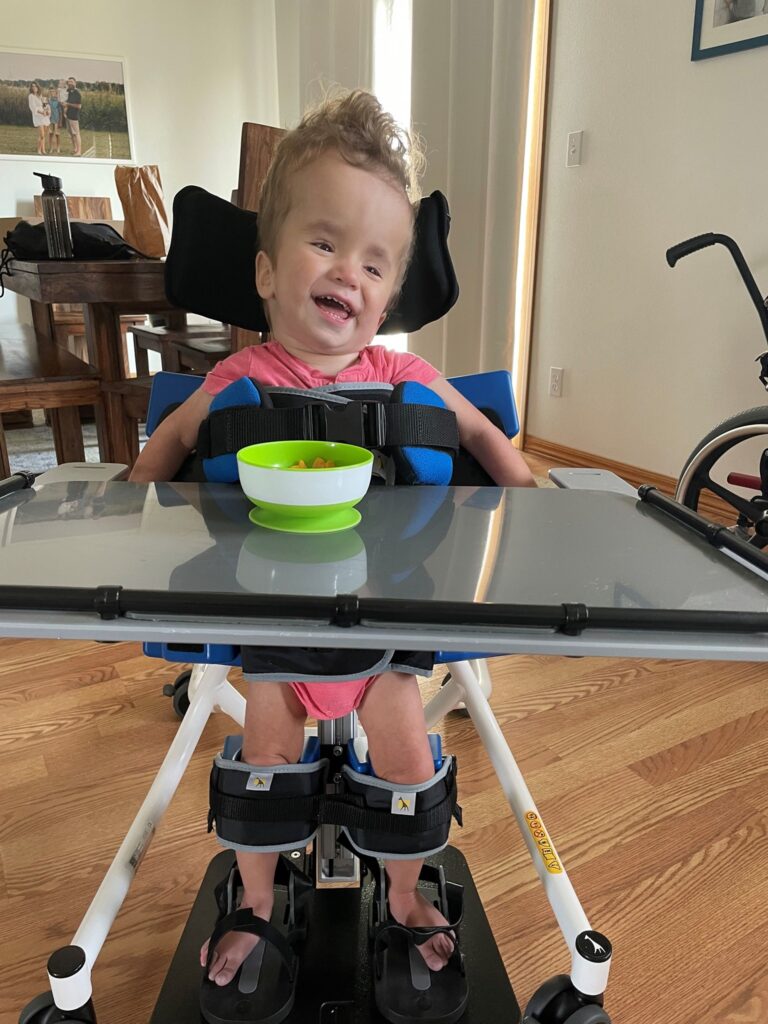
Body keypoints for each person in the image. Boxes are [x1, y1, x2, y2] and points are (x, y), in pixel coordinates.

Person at [129, 89, 536, 995]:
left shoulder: (409, 376)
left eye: (376, 261)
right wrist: (134, 499)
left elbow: (477, 434)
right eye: (325, 243)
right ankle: (260, 898)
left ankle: (402, 893)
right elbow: (171, 441)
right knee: (266, 762)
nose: (349, 271)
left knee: (405, 760)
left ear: (391, 293)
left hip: (382, 635)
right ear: (268, 272)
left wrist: (532, 493)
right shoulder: (234, 377)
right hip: (272, 629)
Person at [28, 82, 49, 156]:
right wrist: (41, 112)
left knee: (45, 134)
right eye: (32, 86)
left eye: (35, 86)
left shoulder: (40, 95)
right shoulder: (31, 96)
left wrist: (47, 110)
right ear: (31, 88)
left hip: (44, 115)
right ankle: (39, 150)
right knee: (42, 135)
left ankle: (43, 150)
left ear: (38, 87)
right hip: (38, 116)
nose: (34, 88)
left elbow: (44, 104)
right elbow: (33, 107)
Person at [62, 76, 82, 157]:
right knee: (71, 134)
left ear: (75, 83)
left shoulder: (77, 93)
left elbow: (79, 106)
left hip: (74, 117)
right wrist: (65, 110)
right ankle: (75, 149)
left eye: (72, 82)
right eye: (69, 82)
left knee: (76, 134)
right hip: (68, 116)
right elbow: (65, 99)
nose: (70, 83)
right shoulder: (69, 92)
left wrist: (68, 104)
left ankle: (79, 151)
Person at [47, 87, 62, 154]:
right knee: (50, 134)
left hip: (56, 120)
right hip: (50, 120)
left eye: (53, 92)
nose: (52, 93)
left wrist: (60, 121)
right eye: (51, 92)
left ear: (56, 93)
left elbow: (60, 112)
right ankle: (51, 148)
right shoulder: (48, 101)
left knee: (57, 135)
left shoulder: (58, 102)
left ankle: (58, 148)